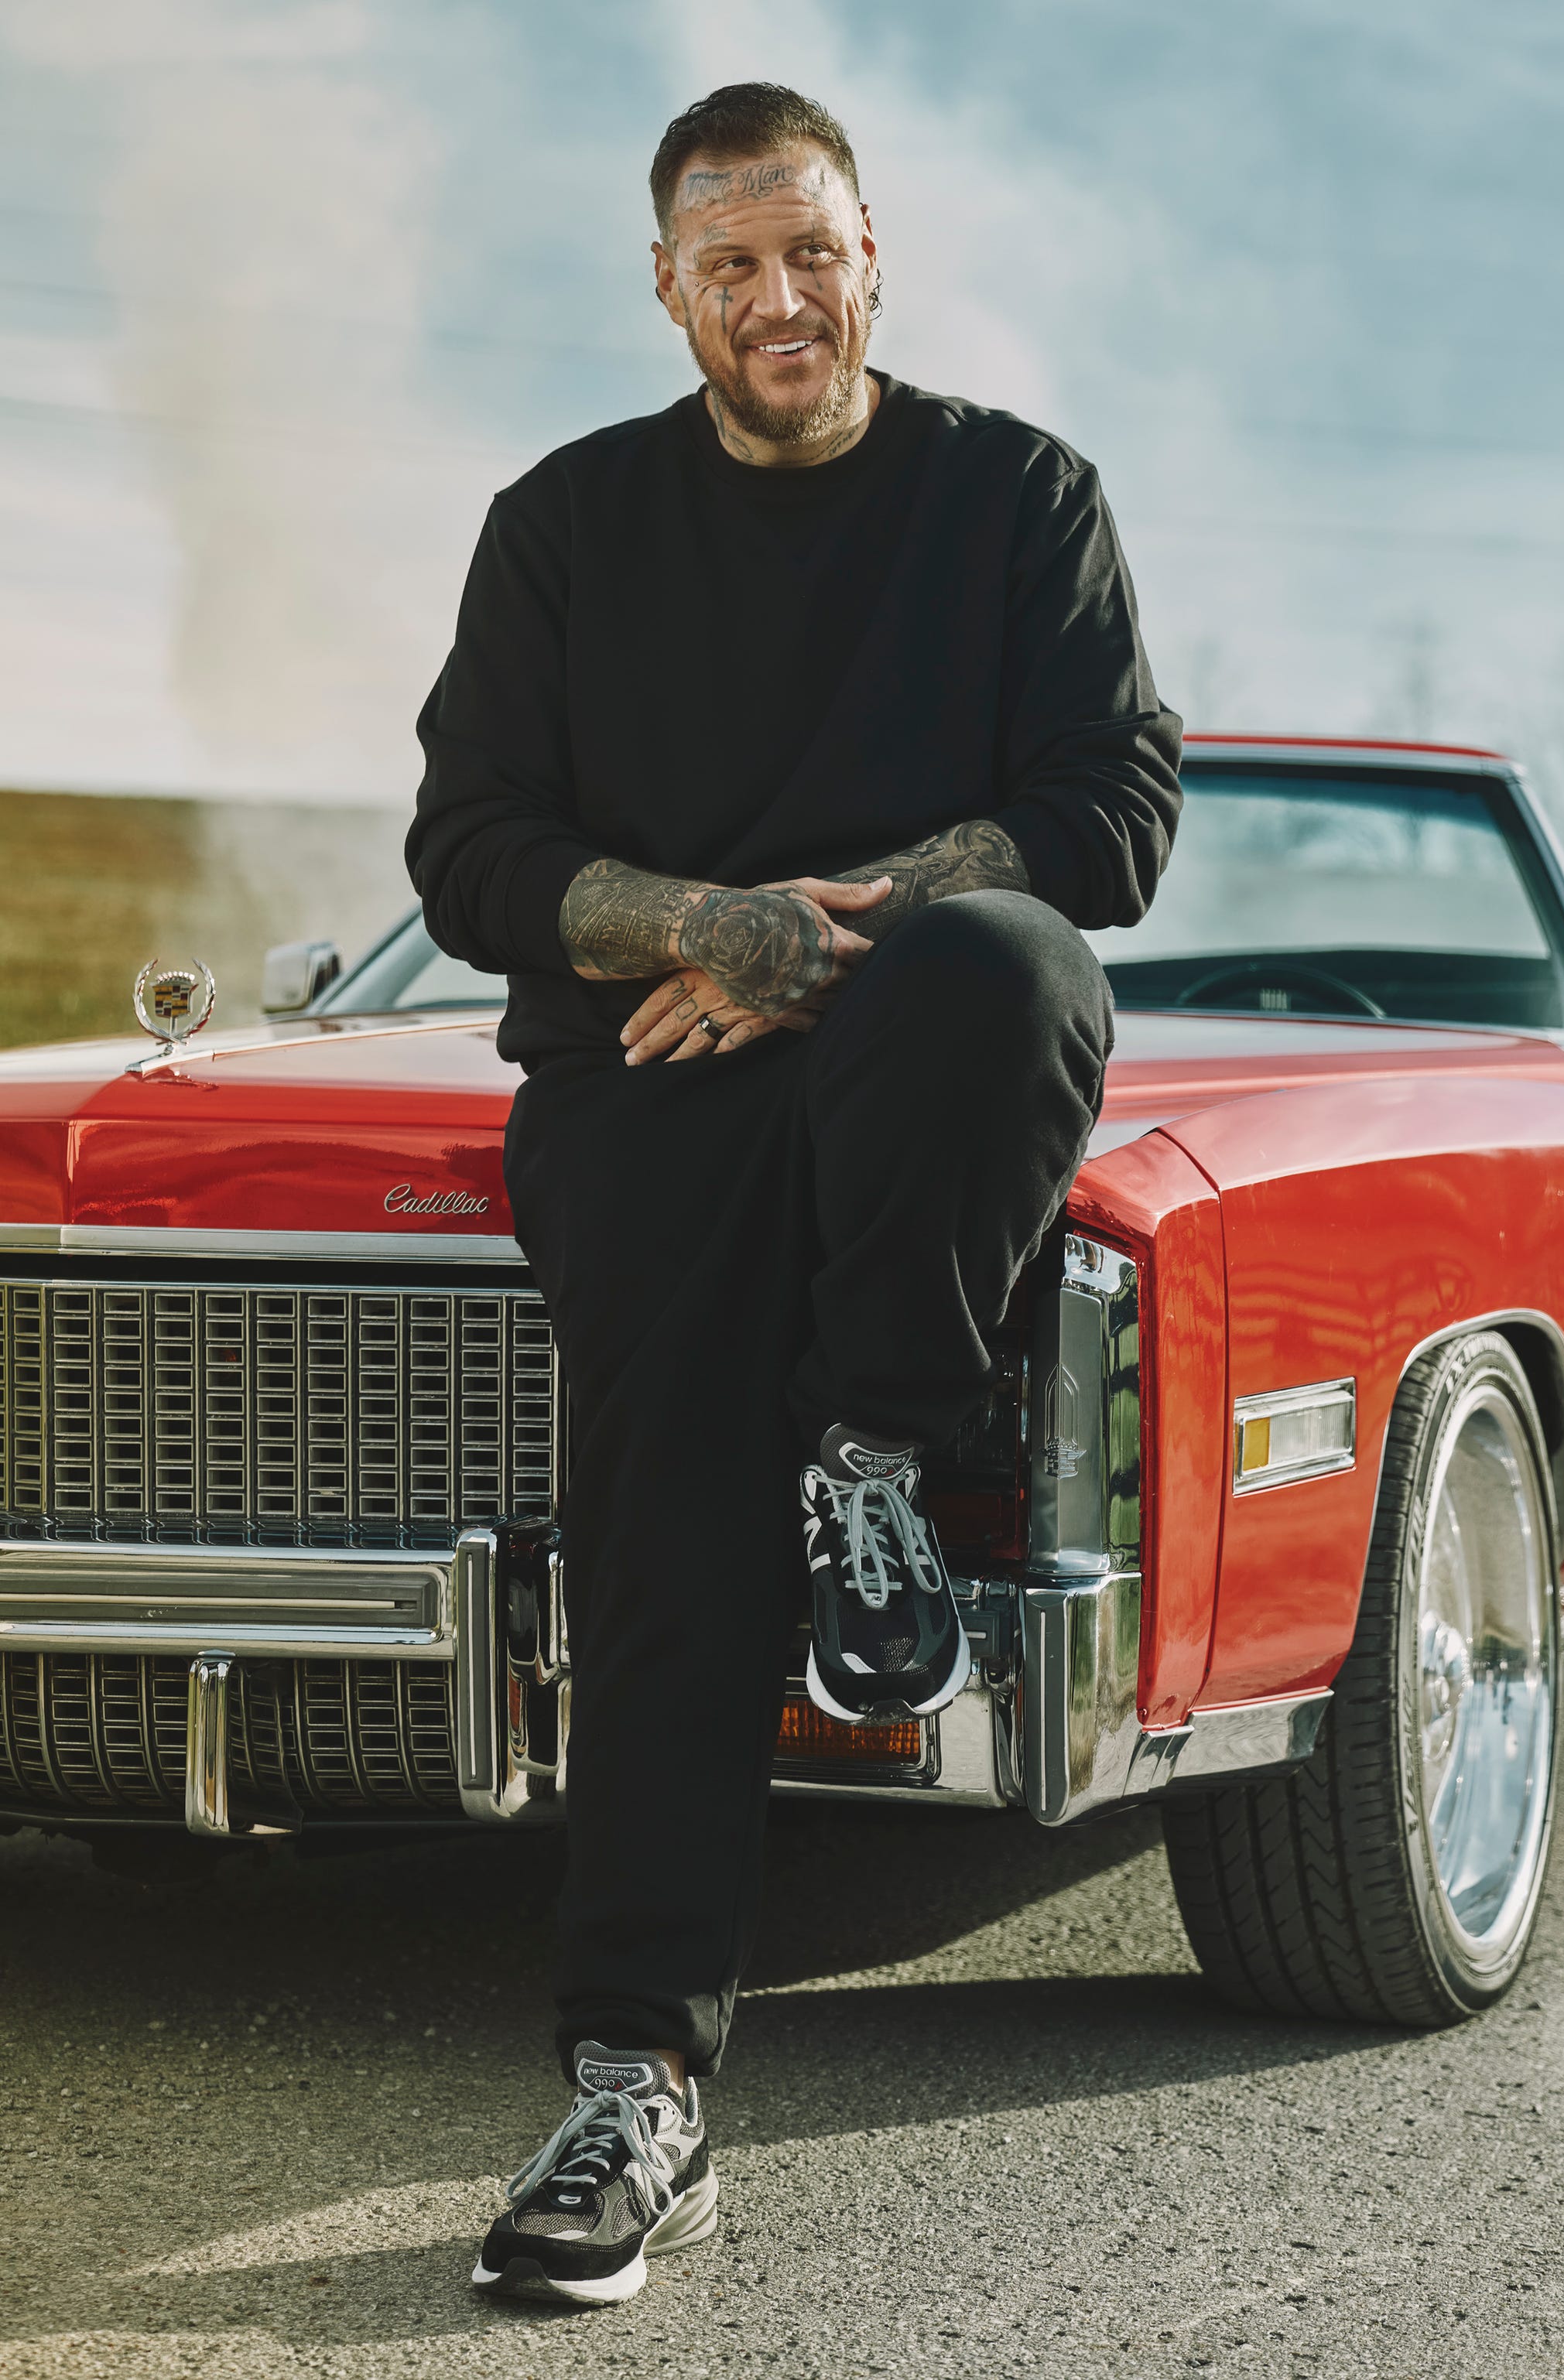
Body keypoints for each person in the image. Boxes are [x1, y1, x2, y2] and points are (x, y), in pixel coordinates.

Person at [407, 80, 1181, 2306]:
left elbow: (1109, 817)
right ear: (666, 283)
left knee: (999, 957)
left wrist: (804, 940)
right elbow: (469, 855)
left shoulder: (1020, 498)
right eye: (729, 260)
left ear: (876, 254)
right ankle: (636, 2081)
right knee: (665, 1549)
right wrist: (688, 930)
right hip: (641, 1108)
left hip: (921, 1086)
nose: (779, 297)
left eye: (813, 249)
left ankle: (878, 1448)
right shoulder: (559, 528)